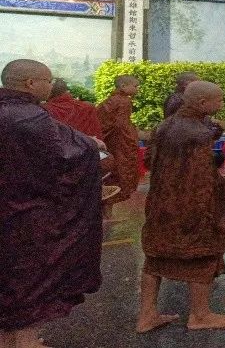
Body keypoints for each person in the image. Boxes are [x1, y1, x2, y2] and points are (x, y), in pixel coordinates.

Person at [1, 60, 103, 348]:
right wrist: (91, 145)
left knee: (6, 278)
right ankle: (26, 341)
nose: (51, 84)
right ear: (31, 83)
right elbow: (66, 155)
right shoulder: (31, 118)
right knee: (30, 280)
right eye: (48, 79)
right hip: (28, 214)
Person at [137, 81, 225, 332]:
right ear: (202, 103)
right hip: (192, 205)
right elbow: (201, 177)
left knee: (155, 259)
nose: (221, 105)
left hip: (161, 203)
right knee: (201, 256)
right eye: (218, 100)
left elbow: (150, 160)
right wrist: (210, 210)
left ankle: (147, 315)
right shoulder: (198, 133)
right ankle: (200, 315)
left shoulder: (165, 125)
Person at [97, 74, 141, 216]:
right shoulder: (124, 102)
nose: (137, 89)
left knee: (109, 174)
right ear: (123, 86)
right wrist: (133, 138)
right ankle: (107, 212)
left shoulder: (110, 100)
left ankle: (106, 211)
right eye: (135, 86)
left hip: (108, 142)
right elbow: (121, 126)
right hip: (120, 144)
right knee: (120, 174)